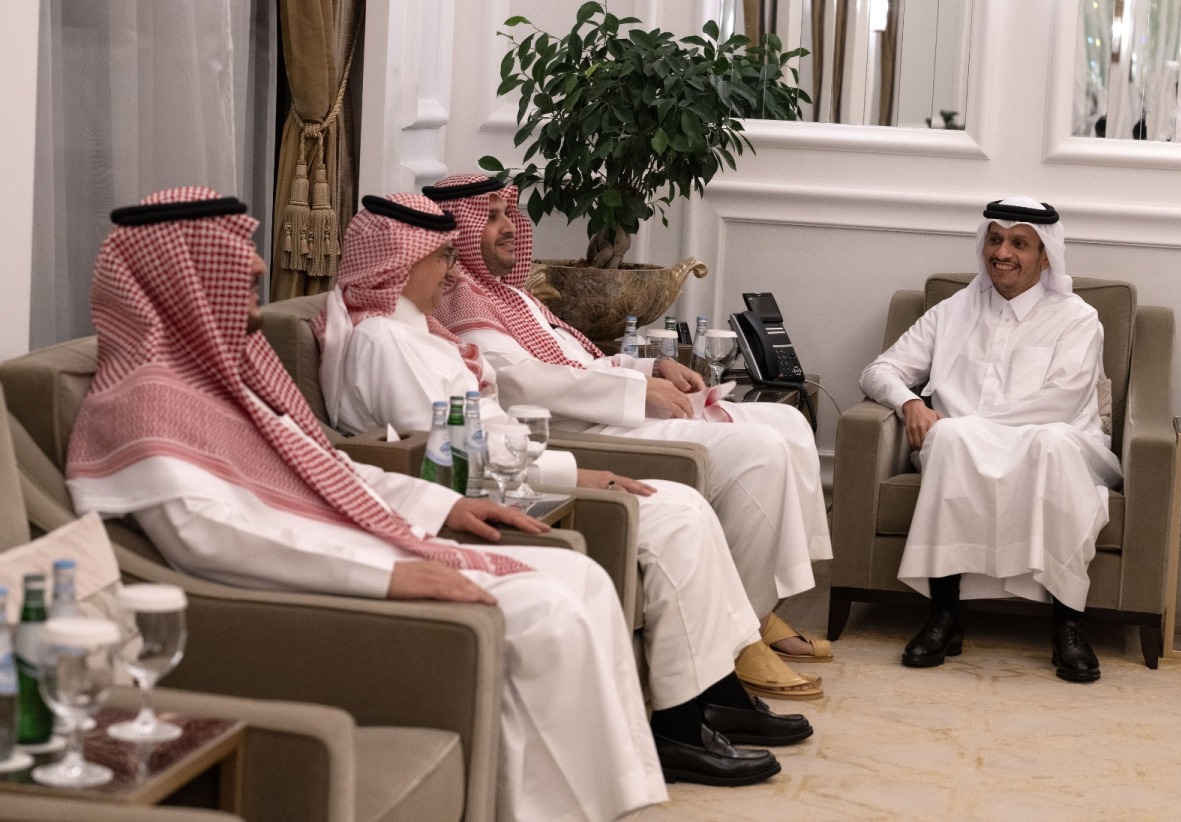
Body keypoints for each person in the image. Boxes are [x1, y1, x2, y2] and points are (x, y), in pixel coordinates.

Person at [65, 187, 677, 821]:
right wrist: (390, 575)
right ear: (181, 280)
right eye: (230, 251)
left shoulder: (223, 377)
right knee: (547, 611)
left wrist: (438, 507)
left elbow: (324, 465)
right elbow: (211, 539)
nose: (255, 264)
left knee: (581, 575)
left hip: (356, 537)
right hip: (317, 580)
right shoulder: (144, 402)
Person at [312, 192, 819, 785]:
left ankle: (712, 698)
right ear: (400, 261)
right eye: (442, 256)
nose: (452, 271)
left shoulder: (413, 331)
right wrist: (572, 474)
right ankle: (680, 727)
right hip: (484, 492)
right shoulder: (385, 342)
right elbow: (451, 456)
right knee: (677, 511)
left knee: (683, 505)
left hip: (515, 467)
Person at [424, 174, 835, 684]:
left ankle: (762, 606)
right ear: (458, 233)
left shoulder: (511, 296)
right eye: (490, 218)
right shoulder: (460, 301)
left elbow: (574, 361)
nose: (509, 226)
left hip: (607, 409)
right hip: (582, 429)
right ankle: (741, 635)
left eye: (508, 213)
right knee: (761, 450)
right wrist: (638, 391)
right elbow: (522, 384)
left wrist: (650, 368)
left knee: (788, 420)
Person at [859, 197, 1122, 683]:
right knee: (949, 437)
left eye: (1019, 243)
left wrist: (975, 424)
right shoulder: (952, 311)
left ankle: (1068, 624)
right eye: (995, 240)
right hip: (964, 444)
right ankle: (945, 615)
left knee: (1047, 444)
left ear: (1045, 255)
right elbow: (879, 370)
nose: (1003, 253)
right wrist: (911, 403)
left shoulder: (1077, 317)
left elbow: (1062, 401)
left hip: (1053, 437)